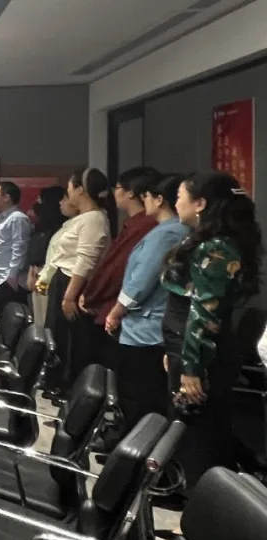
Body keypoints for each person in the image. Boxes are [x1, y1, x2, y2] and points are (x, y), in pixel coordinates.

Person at [161, 171, 261, 492]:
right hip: (187, 346)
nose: (176, 202)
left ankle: (204, 508)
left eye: (180, 196)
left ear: (200, 203)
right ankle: (189, 498)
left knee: (200, 437)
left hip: (204, 354)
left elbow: (204, 314)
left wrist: (192, 368)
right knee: (187, 431)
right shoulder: (205, 241)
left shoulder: (216, 248)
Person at [104, 174, 188, 435]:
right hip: (149, 324)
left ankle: (136, 447)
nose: (144, 202)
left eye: (147, 197)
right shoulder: (168, 231)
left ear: (159, 199)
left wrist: (116, 312)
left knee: (139, 396)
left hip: (146, 328)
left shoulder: (168, 233)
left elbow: (141, 280)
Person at [78, 167, 160, 370]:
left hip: (126, 313)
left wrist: (91, 294)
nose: (114, 193)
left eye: (117, 188)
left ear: (130, 192)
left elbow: (119, 271)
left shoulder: (148, 226)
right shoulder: (136, 223)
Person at [46, 168, 112, 389]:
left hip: (73, 284)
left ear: (81, 190)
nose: (68, 193)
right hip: (65, 281)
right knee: (59, 338)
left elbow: (85, 261)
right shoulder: (84, 218)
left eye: (70, 188)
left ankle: (69, 388)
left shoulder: (94, 219)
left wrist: (69, 297)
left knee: (72, 341)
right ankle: (57, 383)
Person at [0, 181, 32, 315]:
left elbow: (20, 248)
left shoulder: (17, 218)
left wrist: (12, 275)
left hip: (9, 279)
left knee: (10, 314)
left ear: (6, 197)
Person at [25, 186, 67, 325]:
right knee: (37, 318)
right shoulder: (40, 226)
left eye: (40, 200)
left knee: (45, 318)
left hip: (48, 279)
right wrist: (31, 274)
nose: (37, 203)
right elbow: (33, 253)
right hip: (36, 276)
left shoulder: (61, 228)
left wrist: (40, 283)